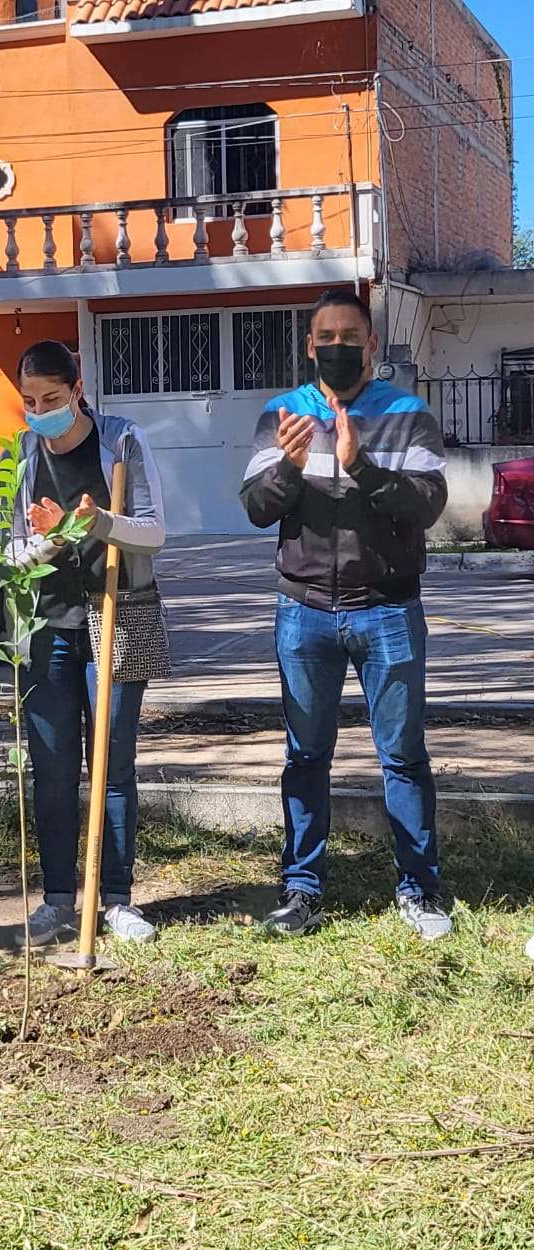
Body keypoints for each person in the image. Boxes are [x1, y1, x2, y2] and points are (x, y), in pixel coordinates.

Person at [239, 287, 451, 940]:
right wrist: (292, 469)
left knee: (404, 757)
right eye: (324, 337)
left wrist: (361, 465)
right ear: (309, 346)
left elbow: (426, 504)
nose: (336, 347)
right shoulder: (282, 414)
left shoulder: (408, 415)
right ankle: (302, 890)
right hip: (304, 614)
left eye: (348, 337)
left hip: (388, 612)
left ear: (371, 344)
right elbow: (256, 505)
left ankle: (420, 891)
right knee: (305, 756)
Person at [10, 340, 166, 946]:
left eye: (51, 398)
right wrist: (52, 541)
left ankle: (118, 899)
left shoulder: (121, 440)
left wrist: (94, 522)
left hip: (116, 617)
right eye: (29, 400)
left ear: (77, 389)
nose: (40, 411)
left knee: (112, 765)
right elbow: (13, 552)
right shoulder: (23, 453)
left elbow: (153, 532)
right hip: (46, 625)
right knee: (51, 772)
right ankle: (55, 901)